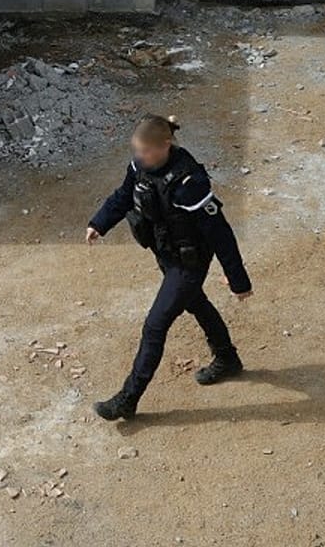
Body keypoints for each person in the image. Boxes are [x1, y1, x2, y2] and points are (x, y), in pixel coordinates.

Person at [84, 115, 253, 420]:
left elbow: (220, 232)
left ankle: (128, 398)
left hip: (189, 261)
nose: (139, 157)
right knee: (195, 302)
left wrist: (237, 279)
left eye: (145, 151)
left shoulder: (190, 183)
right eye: (137, 151)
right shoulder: (140, 166)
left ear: (165, 146)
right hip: (165, 252)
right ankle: (227, 358)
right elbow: (123, 196)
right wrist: (100, 222)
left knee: (155, 325)